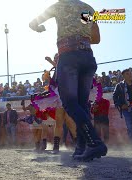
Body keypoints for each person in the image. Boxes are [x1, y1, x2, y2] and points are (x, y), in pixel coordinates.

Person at [29, 0, 107, 161]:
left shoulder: (59, 5)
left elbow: (33, 23)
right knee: (81, 104)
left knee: (70, 103)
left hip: (69, 57)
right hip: (87, 57)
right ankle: (81, 147)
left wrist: (38, 28)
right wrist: (81, 37)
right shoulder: (86, 8)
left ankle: (94, 142)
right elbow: (96, 38)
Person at [113, 69, 132, 149]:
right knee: (130, 129)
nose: (130, 75)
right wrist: (120, 105)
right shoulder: (119, 85)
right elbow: (114, 97)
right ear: (123, 76)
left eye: (130, 73)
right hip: (127, 110)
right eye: (128, 74)